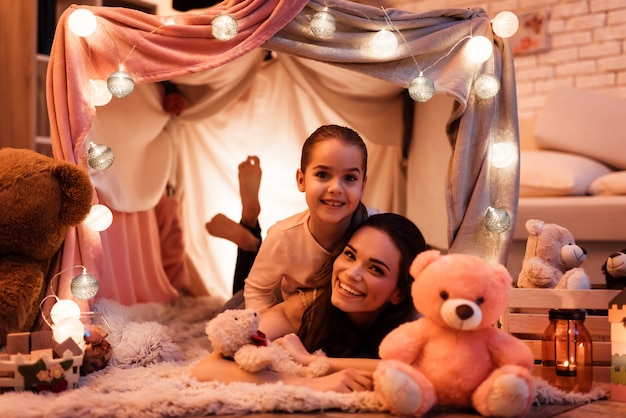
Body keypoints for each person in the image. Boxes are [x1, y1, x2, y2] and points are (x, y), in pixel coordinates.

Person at [190, 212, 428, 393]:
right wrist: (312, 383)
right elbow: (207, 368)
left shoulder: (414, 320)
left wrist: (315, 362)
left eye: (375, 269)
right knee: (239, 298)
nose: (352, 273)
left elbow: (421, 373)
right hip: (245, 303)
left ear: (399, 293)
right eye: (349, 255)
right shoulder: (305, 307)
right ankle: (250, 237)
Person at [209, 125, 377, 313]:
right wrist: (268, 328)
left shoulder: (378, 230)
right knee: (235, 309)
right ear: (301, 180)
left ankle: (250, 233)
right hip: (282, 304)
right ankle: (250, 227)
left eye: (349, 178)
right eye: (323, 175)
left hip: (331, 314)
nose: (336, 188)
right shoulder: (283, 236)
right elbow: (256, 289)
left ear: (363, 186)